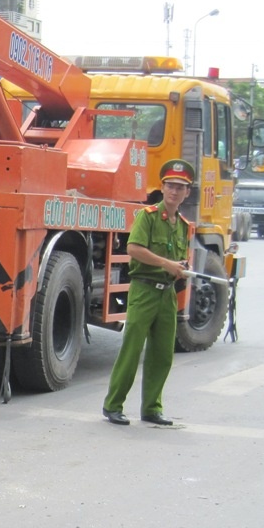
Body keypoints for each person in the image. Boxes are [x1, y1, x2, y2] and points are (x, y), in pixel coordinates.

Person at [102, 159, 193, 426]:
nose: (174, 191)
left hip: (167, 293)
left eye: (180, 187)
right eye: (170, 186)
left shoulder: (183, 225)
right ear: (162, 188)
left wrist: (180, 268)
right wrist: (166, 263)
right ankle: (113, 405)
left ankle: (152, 408)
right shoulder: (149, 216)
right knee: (132, 350)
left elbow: (178, 258)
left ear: (187, 193)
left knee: (163, 354)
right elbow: (134, 249)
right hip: (144, 289)